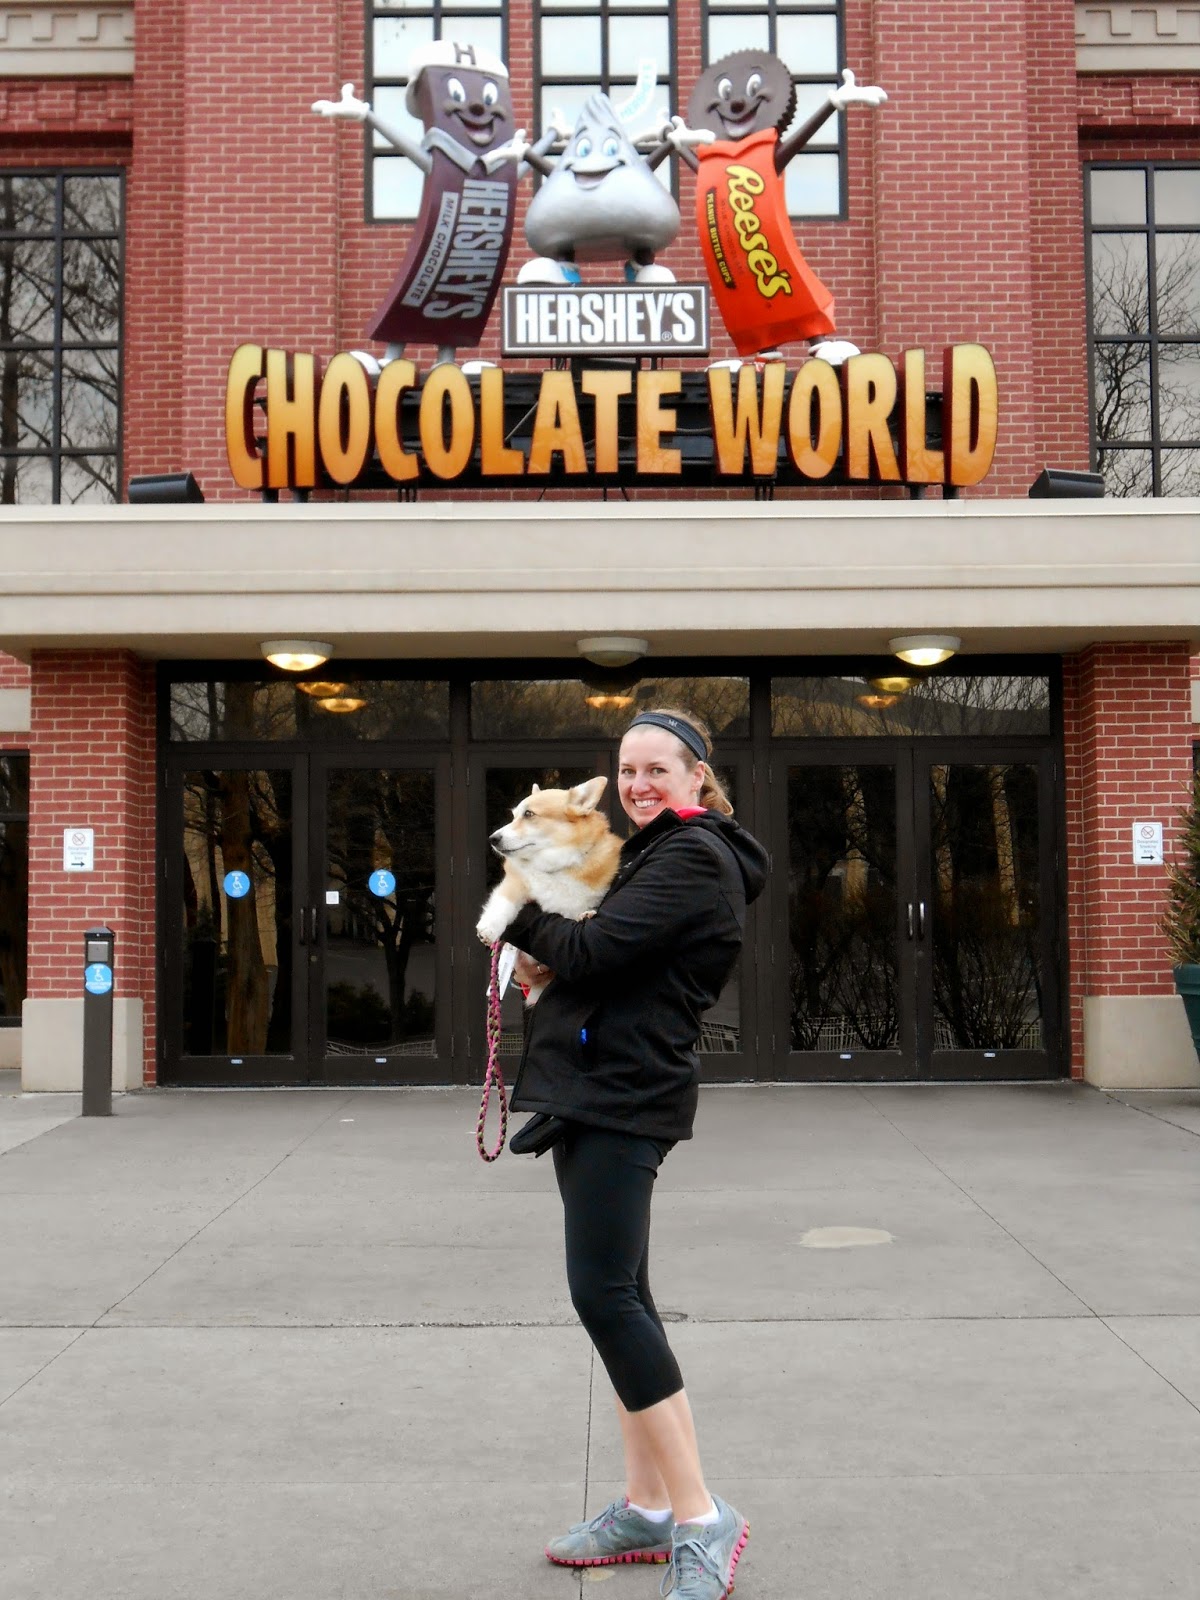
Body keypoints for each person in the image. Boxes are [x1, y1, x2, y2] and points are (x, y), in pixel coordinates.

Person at [499, 707, 769, 1600]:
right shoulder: (659, 852)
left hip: (624, 1092)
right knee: (626, 1298)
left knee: (604, 1296)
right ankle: (648, 1507)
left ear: (698, 777)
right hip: (596, 1088)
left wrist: (515, 913)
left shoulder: (694, 855)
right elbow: (600, 956)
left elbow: (596, 948)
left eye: (658, 769)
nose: (638, 785)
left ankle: (700, 1516)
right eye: (626, 770)